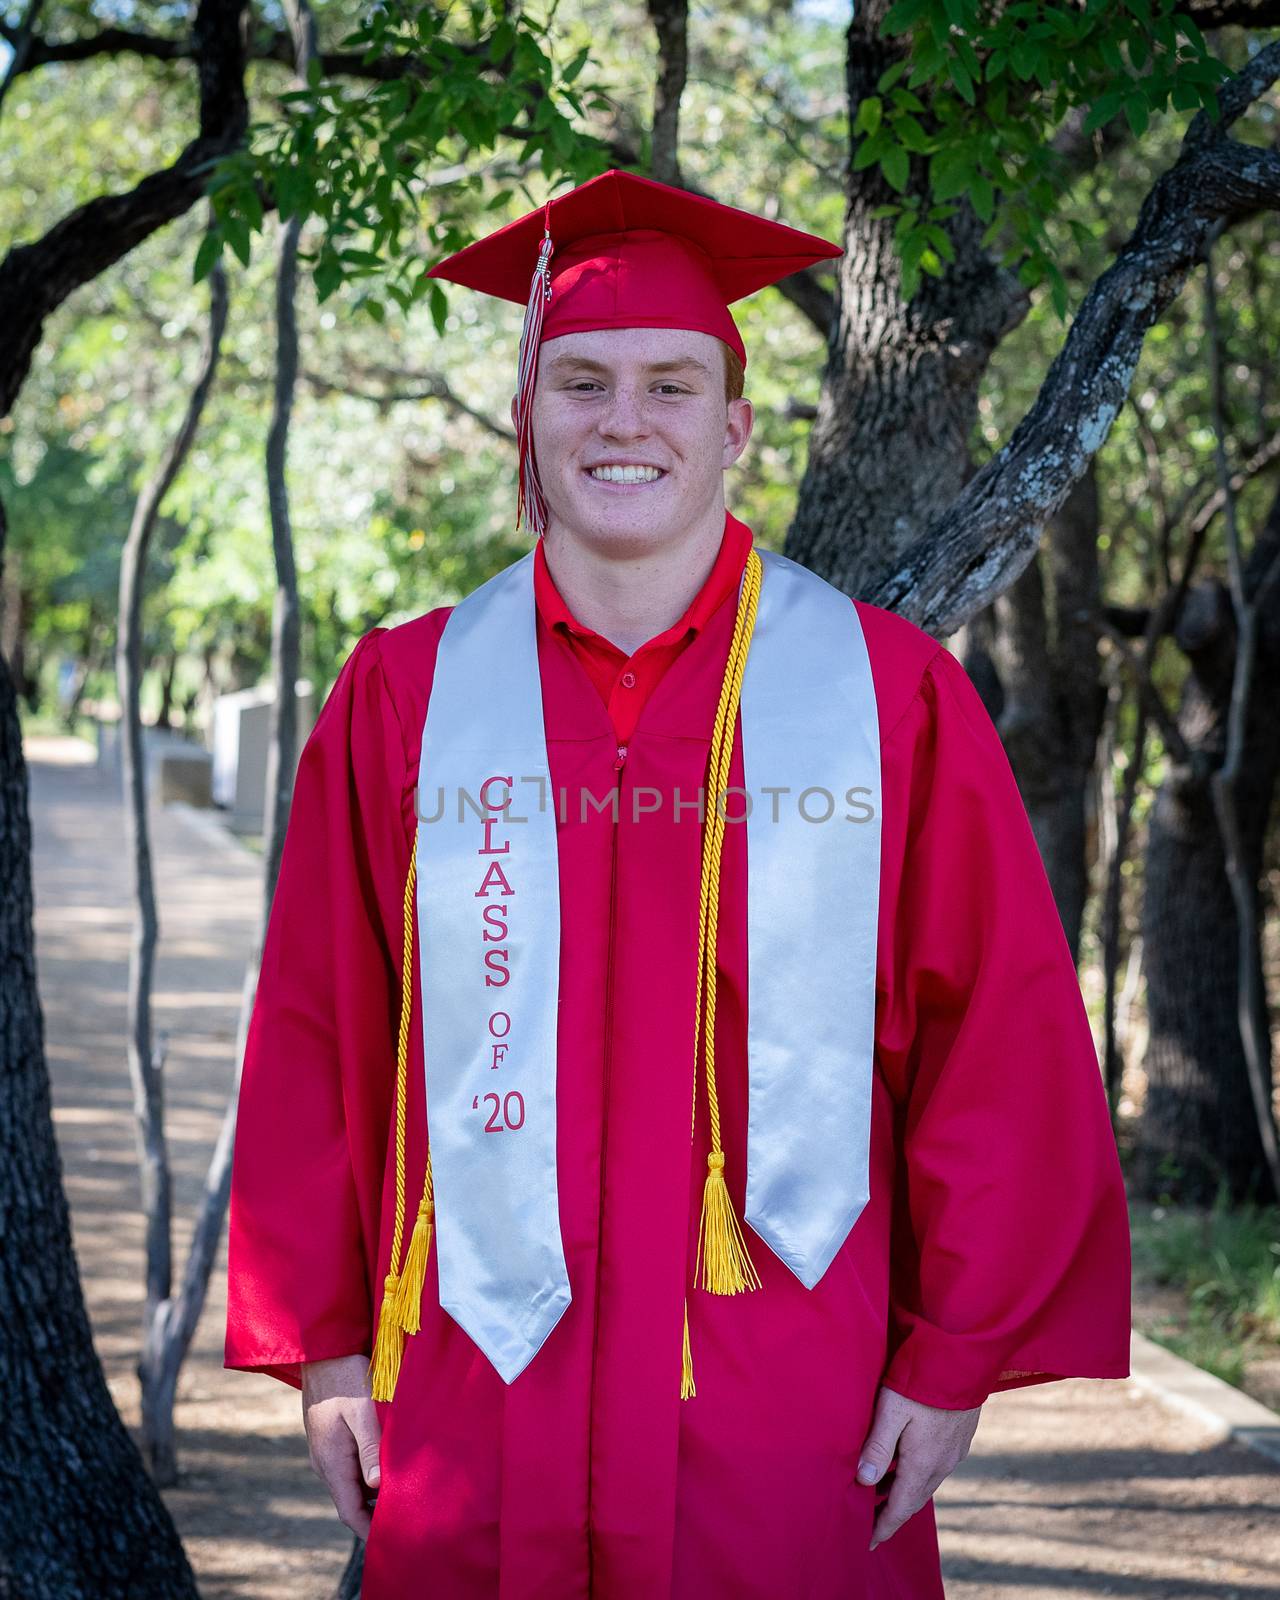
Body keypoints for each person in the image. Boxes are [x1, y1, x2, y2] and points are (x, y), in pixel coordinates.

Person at [224, 169, 1132, 1599]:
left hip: (785, 1402)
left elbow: (997, 1037)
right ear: (530, 420)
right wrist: (324, 1342)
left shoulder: (885, 699)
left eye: (670, 382)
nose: (625, 419)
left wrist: (953, 1361)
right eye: (579, 381)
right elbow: (320, 1030)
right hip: (475, 1388)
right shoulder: (403, 697)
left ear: (738, 425)